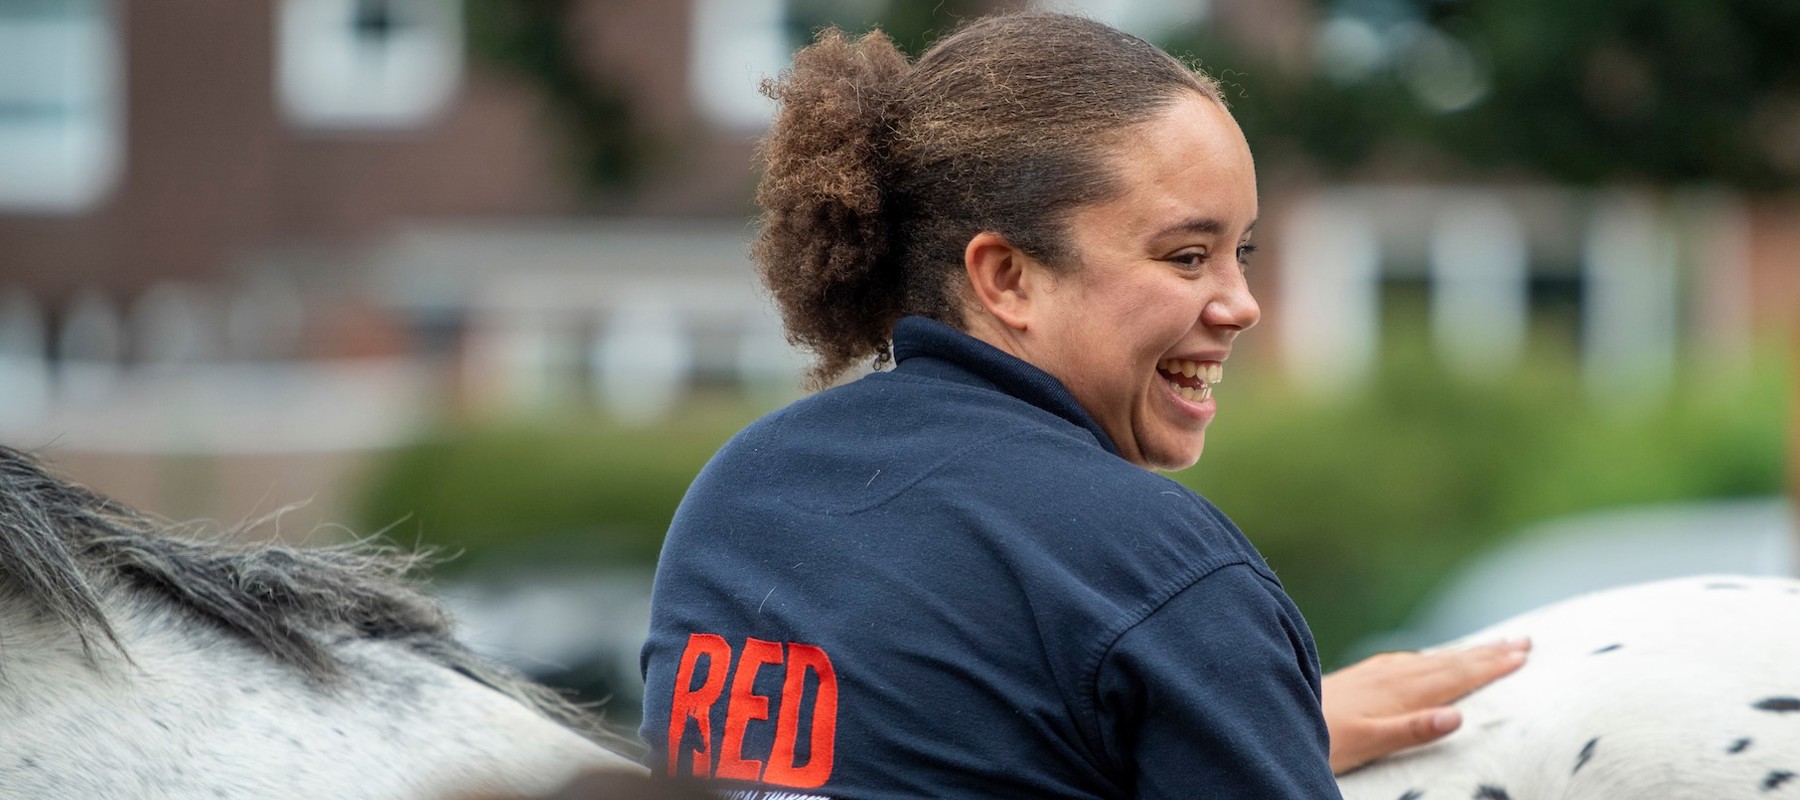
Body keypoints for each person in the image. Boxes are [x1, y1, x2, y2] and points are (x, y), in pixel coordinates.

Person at [639, 12, 1525, 799]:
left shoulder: (739, 496)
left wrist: (1261, 726)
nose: (1242, 304)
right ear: (1008, 278)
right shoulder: (1160, 570)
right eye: (1186, 256)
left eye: (1241, 253)